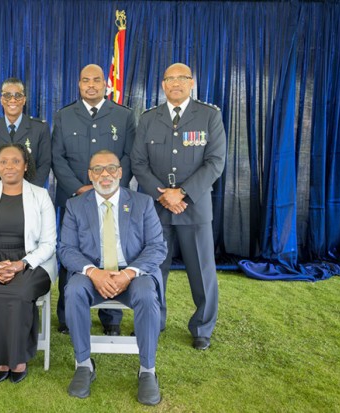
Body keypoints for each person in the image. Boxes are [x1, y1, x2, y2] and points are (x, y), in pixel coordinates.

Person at [131, 63, 226, 350]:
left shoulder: (209, 115)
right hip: (156, 207)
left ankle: (202, 328)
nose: (176, 83)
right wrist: (163, 195)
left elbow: (215, 162)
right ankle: (154, 320)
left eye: (182, 78)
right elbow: (138, 162)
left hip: (194, 207)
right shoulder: (149, 118)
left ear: (191, 83)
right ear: (162, 84)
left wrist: (182, 193)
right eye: (170, 79)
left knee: (202, 271)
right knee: (154, 268)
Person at [59, 150, 167, 405]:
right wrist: (94, 272)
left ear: (120, 172)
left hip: (133, 273)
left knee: (146, 293)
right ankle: (84, 364)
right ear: (90, 174)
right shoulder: (75, 205)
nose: (104, 174)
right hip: (92, 273)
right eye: (97, 169)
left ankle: (147, 370)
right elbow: (66, 249)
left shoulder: (142, 202)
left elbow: (156, 247)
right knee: (74, 290)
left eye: (110, 168)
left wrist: (128, 273)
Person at [52, 64, 136, 336]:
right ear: (79, 84)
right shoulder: (64, 116)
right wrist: (79, 188)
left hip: (111, 200)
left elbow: (129, 156)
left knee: (111, 253)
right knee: (71, 253)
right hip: (74, 199)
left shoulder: (123, 116)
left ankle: (111, 318)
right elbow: (57, 157)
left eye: (96, 80)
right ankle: (67, 315)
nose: (91, 85)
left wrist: (107, 188)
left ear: (105, 84)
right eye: (85, 80)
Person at [0, 143, 56, 384]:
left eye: (16, 161)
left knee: (20, 291)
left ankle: (18, 359)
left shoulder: (40, 195)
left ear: (26, 166)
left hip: (32, 261)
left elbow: (49, 243)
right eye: (3, 161)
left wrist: (21, 264)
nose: (9, 166)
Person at [0, 78, 51, 187]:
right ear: (1, 100)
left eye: (18, 95)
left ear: (24, 100)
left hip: (29, 192)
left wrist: (28, 191)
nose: (12, 100)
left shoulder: (40, 128)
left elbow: (44, 165)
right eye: (7, 95)